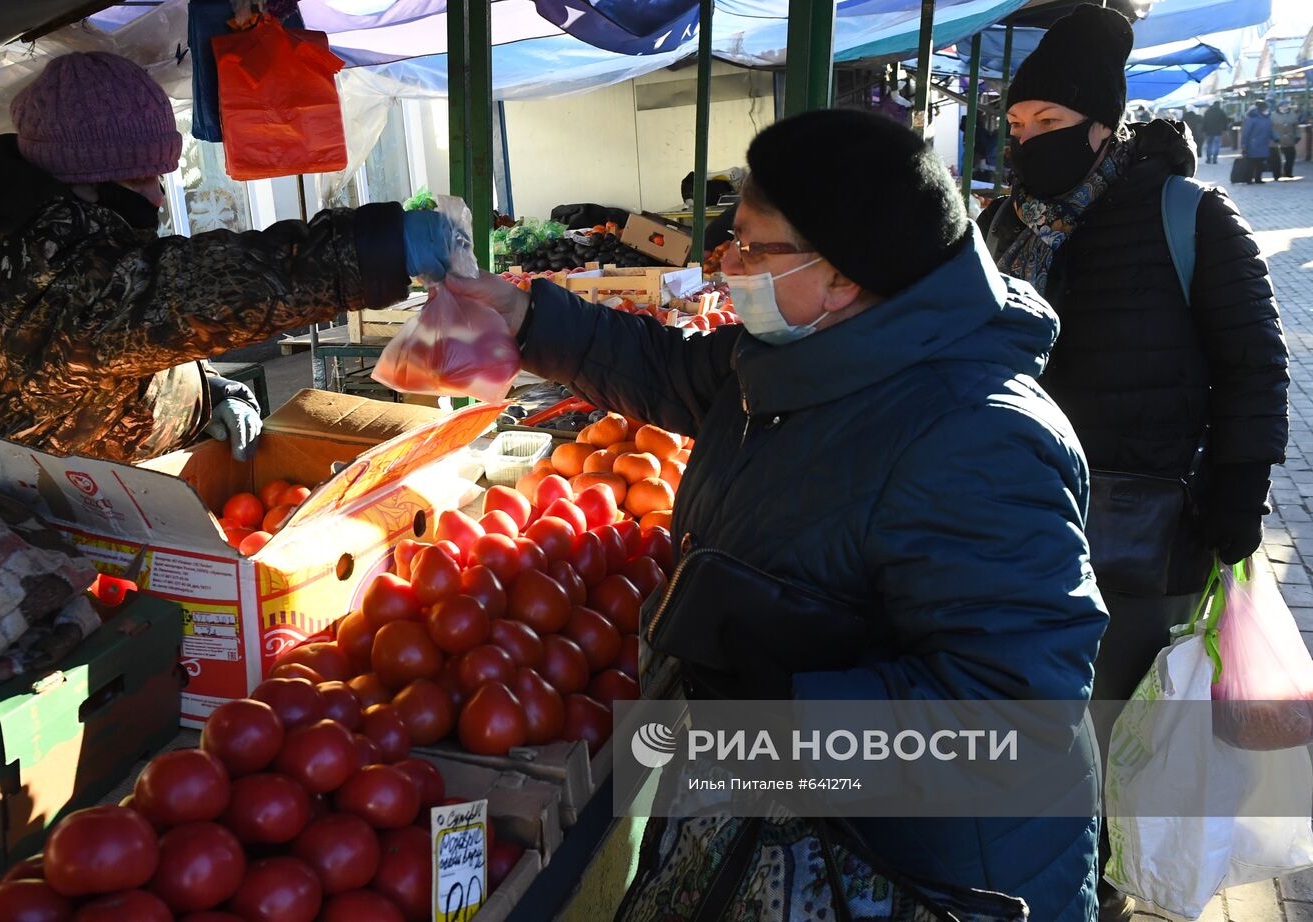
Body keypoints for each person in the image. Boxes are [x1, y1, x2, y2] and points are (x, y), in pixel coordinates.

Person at [450, 107, 1107, 922]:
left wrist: (773, 722)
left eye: (756, 247)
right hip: (807, 823)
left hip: (925, 874)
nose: (728, 264)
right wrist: (525, 318)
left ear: (843, 274)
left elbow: (1014, 713)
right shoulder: (802, 354)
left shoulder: (976, 438)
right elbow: (668, 369)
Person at [977, 7, 1288, 919]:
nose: (1030, 142)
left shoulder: (1188, 216)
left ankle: (1104, 891)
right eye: (1020, 125)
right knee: (1038, 732)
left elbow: (1255, 365)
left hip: (1145, 538)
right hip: (1019, 527)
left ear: (1104, 127)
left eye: (1051, 125)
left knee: (1120, 732)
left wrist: (1237, 499)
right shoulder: (1002, 225)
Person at [0, 52, 450, 496]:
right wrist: (378, 248)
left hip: (71, 493)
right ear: (78, 180)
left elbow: (107, 354)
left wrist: (200, 393)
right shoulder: (36, 272)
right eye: (142, 177)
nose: (158, 194)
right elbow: (197, 291)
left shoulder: (43, 231)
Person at [1242, 100, 1274, 183]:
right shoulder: (1252, 119)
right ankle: (1248, 179)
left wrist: (1276, 137)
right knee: (1251, 163)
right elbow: (1246, 132)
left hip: (1263, 144)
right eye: (1266, 109)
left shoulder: (1267, 118)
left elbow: (1270, 130)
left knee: (1260, 163)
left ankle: (1258, 178)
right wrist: (1244, 145)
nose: (1268, 110)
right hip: (1253, 145)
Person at [1271, 99, 1298, 179]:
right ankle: (1277, 174)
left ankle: (1288, 172)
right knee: (1276, 159)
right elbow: (1270, 128)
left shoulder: (1292, 114)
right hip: (1277, 140)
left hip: (1289, 140)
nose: (1285, 107)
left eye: (1286, 106)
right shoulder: (1273, 115)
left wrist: (1297, 136)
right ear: (1279, 107)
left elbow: (1296, 126)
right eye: (1283, 106)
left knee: (1290, 157)